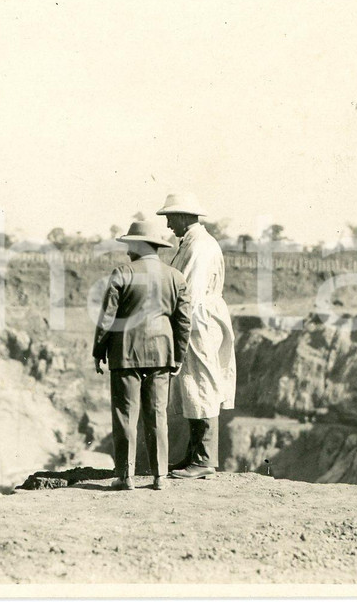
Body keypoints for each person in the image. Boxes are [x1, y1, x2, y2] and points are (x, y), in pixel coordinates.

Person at [93, 220, 192, 491]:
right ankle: (160, 476)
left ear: (139, 245)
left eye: (130, 245)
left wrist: (98, 351)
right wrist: (178, 355)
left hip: (125, 354)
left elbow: (107, 318)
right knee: (158, 415)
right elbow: (184, 322)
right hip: (162, 353)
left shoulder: (122, 273)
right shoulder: (176, 277)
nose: (127, 251)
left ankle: (126, 477)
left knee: (125, 415)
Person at [156, 192, 237, 480]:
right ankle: (195, 454)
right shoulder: (192, 243)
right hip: (195, 318)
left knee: (202, 384)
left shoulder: (200, 246)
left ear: (182, 216)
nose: (168, 225)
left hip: (198, 321)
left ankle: (204, 459)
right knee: (192, 386)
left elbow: (188, 292)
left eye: (170, 218)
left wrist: (175, 324)